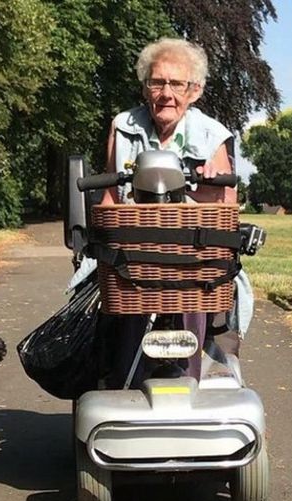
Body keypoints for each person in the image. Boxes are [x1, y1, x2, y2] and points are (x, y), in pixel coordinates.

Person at [100, 37, 237, 387]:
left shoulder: (213, 136)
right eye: (157, 82)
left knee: (194, 286)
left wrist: (210, 190)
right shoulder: (123, 126)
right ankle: (124, 384)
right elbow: (110, 198)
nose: (166, 93)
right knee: (122, 284)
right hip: (133, 251)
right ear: (146, 87)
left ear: (195, 91)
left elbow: (226, 214)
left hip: (193, 253)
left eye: (177, 84)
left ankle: (194, 381)